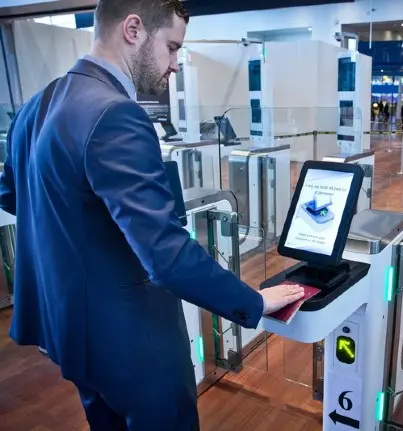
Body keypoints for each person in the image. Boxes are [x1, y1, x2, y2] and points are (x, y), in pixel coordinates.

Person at [0, 1, 304, 429]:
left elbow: (15, 197)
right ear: (133, 29)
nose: (176, 63)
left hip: (69, 331)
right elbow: (166, 255)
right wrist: (252, 301)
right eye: (172, 47)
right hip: (131, 340)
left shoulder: (35, 106)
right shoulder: (116, 113)